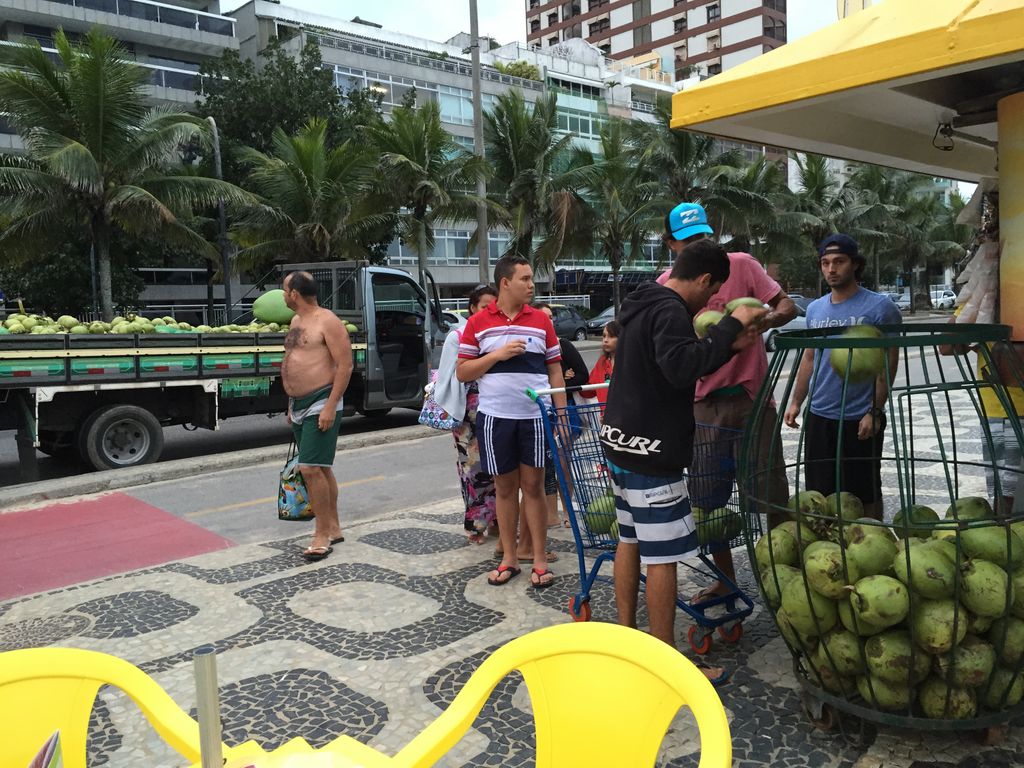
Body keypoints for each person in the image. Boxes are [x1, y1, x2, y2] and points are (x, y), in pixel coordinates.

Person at [600, 236, 766, 681]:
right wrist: (731, 327)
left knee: (629, 540)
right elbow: (681, 366)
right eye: (712, 293)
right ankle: (666, 662)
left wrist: (724, 343)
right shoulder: (671, 310)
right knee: (663, 557)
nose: (710, 301)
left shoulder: (642, 303)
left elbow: (669, 361)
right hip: (652, 452)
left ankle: (626, 637)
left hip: (620, 443)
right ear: (706, 278)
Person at [654, 202, 797, 606]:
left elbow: (788, 306)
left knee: (771, 494)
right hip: (703, 407)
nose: (698, 246)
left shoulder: (741, 264)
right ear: (670, 245)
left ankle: (783, 577)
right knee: (709, 503)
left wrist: (759, 321)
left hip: (753, 400)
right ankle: (725, 580)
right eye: (687, 242)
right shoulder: (667, 286)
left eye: (702, 237)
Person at [457, 256, 567, 588]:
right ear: (506, 283)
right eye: (525, 279)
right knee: (505, 489)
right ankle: (508, 559)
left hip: (535, 418)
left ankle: (537, 559)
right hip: (495, 419)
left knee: (533, 488)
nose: (532, 285)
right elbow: (463, 371)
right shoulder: (478, 323)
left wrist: (561, 414)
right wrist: (497, 355)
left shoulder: (541, 322)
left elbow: (555, 370)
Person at [784, 234, 902, 519]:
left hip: (858, 417)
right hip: (821, 415)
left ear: (855, 265)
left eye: (839, 261)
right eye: (825, 263)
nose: (831, 269)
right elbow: (810, 358)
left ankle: (875, 542)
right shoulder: (815, 309)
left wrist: (874, 411)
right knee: (820, 492)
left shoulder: (880, 308)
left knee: (865, 491)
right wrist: (796, 401)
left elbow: (888, 365)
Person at [281, 271, 353, 561]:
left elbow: (345, 366)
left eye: (285, 289)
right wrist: (291, 402)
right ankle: (334, 526)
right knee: (320, 467)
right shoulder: (296, 321)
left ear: (294, 294)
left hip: (321, 401)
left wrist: (329, 406)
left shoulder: (328, 321)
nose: (283, 295)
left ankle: (321, 534)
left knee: (309, 468)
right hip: (298, 404)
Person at [434, 284, 499, 543]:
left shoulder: (496, 334)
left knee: (497, 468)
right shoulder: (458, 336)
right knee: (472, 469)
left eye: (494, 306)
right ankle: (476, 525)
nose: (490, 311)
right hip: (467, 415)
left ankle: (497, 521)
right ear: (473, 308)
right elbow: (449, 377)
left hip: (495, 409)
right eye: (485, 306)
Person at [535, 301, 588, 531]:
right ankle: (549, 513)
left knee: (562, 461)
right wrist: (561, 378)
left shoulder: (563, 345)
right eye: (543, 317)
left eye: (550, 317)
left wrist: (561, 382)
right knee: (542, 466)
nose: (549, 321)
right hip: (539, 412)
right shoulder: (532, 348)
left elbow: (581, 376)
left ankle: (567, 511)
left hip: (565, 410)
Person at [582, 319, 619, 405]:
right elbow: (590, 389)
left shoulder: (629, 361)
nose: (605, 340)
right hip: (607, 415)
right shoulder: (602, 362)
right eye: (604, 336)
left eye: (611, 336)